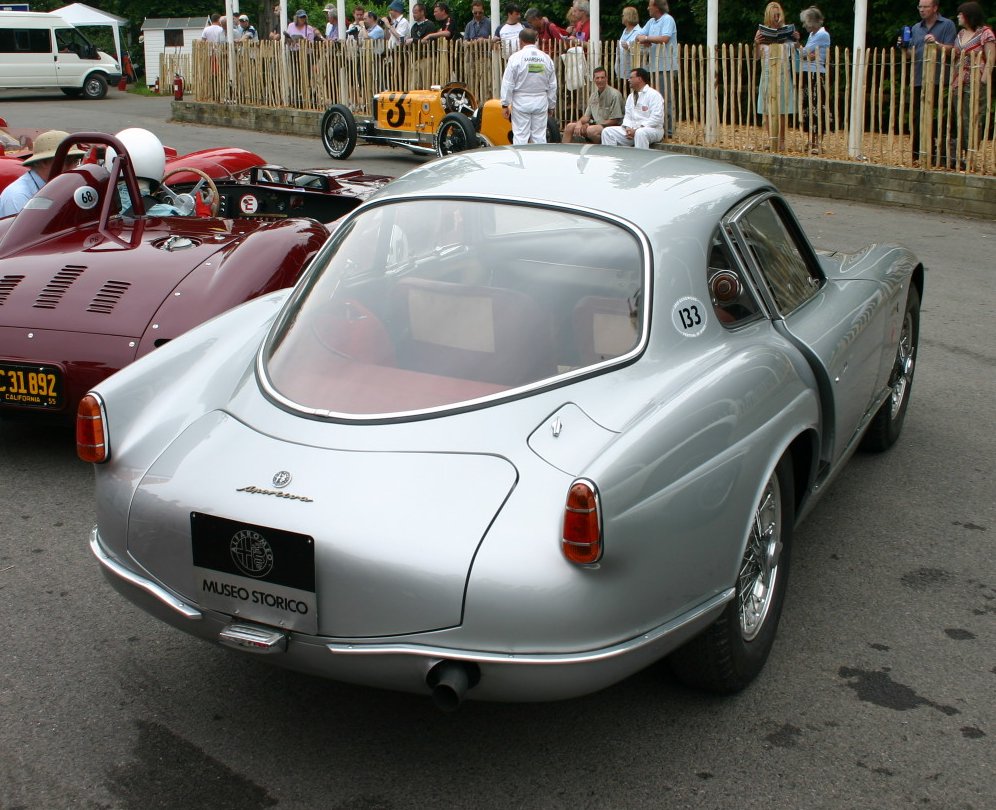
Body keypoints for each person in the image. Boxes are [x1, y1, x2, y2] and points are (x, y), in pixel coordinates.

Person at [900, 0, 957, 164]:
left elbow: (953, 49)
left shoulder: (947, 25)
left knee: (941, 118)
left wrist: (937, 44)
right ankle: (919, 154)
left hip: (941, 79)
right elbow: (912, 53)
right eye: (920, 7)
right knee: (919, 118)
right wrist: (903, 47)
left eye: (925, 7)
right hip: (919, 78)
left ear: (935, 8)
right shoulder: (916, 28)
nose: (922, 10)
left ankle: (943, 156)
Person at [948, 1, 995, 166]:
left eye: (961, 14)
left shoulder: (985, 33)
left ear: (969, 15)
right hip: (958, 81)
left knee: (973, 119)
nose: (958, 16)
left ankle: (971, 155)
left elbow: (990, 59)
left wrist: (983, 80)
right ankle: (958, 155)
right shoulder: (960, 34)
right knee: (959, 117)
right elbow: (955, 54)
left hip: (975, 81)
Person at [0, 130, 84, 217]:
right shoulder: (18, 196)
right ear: (43, 162)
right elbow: (24, 230)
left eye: (76, 161)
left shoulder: (56, 185)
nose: (74, 168)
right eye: (68, 161)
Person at [500, 27, 557, 143]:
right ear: (536, 40)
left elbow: (508, 83)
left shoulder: (515, 58)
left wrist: (505, 104)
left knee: (520, 136)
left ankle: (521, 160)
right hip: (541, 101)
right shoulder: (546, 59)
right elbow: (552, 85)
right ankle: (539, 160)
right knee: (539, 137)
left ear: (520, 41)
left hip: (521, 101)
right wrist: (551, 105)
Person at [754, 1, 796, 151]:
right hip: (767, 71)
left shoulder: (787, 31)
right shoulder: (761, 33)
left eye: (778, 15)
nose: (776, 18)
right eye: (773, 16)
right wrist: (756, 43)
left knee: (783, 108)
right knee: (766, 108)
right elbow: (757, 57)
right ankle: (771, 138)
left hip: (783, 71)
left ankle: (782, 140)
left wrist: (795, 40)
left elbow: (795, 52)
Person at [636, 0, 678, 138]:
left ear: (656, 7)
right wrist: (646, 39)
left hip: (666, 66)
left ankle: (669, 130)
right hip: (653, 66)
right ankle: (658, 126)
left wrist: (647, 38)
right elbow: (639, 36)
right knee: (655, 98)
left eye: (650, 5)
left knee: (666, 98)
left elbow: (665, 38)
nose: (648, 8)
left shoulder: (667, 20)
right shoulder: (651, 22)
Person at [601, 66, 665, 148]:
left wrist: (637, 129)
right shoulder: (630, 97)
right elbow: (627, 116)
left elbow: (656, 118)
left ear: (639, 79)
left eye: (631, 77)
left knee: (640, 133)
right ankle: (611, 159)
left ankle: (640, 160)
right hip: (632, 130)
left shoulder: (654, 95)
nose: (628, 80)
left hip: (653, 130)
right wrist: (627, 128)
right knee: (607, 132)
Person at [796, 6, 830, 153]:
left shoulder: (822, 35)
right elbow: (806, 55)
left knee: (817, 107)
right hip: (807, 72)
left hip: (816, 74)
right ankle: (811, 140)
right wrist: (805, 53)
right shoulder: (812, 36)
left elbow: (805, 53)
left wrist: (798, 45)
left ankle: (818, 142)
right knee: (808, 108)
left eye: (807, 22)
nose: (805, 25)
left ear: (814, 21)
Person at [563, 66, 624, 142]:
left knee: (590, 130)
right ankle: (567, 152)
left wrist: (591, 125)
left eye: (602, 77)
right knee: (570, 127)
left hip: (609, 127)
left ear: (606, 78)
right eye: (597, 78)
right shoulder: (593, 95)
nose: (600, 80)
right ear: (594, 79)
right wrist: (579, 123)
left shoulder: (615, 95)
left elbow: (615, 120)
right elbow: (586, 116)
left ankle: (596, 151)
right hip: (594, 125)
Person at [616, 6, 643, 80]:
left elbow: (642, 50)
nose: (621, 17)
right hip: (622, 71)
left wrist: (629, 47)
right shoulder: (624, 31)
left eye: (623, 15)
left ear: (628, 16)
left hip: (633, 71)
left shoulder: (639, 32)